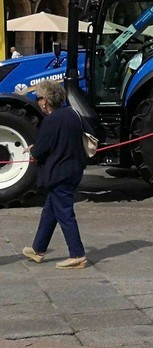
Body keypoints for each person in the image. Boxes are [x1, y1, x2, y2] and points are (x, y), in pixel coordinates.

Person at [22, 81, 89, 269]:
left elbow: (41, 149)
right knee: (50, 212)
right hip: (74, 169)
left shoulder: (51, 121)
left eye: (39, 98)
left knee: (65, 214)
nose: (39, 102)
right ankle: (38, 249)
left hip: (59, 173)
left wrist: (32, 151)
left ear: (46, 100)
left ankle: (77, 254)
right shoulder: (72, 114)